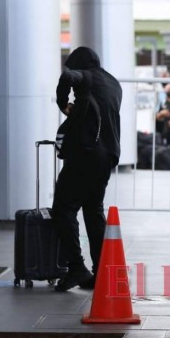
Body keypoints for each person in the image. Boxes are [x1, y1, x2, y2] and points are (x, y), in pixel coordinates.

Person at [52, 46, 122, 292]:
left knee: (63, 208)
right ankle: (102, 271)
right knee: (93, 210)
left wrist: (64, 103)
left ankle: (76, 268)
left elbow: (68, 78)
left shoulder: (85, 76)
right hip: (108, 155)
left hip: (86, 154)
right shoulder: (113, 83)